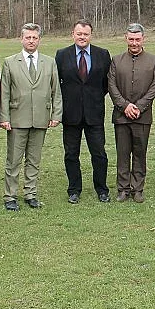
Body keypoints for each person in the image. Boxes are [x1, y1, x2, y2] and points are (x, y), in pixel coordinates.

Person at [0, 23, 62, 211]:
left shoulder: (49, 62)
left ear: (39, 40)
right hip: (17, 118)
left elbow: (55, 91)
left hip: (41, 118)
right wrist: (4, 117)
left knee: (34, 159)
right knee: (14, 160)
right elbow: (4, 93)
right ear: (21, 39)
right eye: (28, 37)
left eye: (34, 38)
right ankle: (10, 196)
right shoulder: (10, 62)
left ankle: (30, 194)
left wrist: (56, 114)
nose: (31, 41)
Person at [55, 20, 112, 204]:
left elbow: (106, 84)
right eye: (79, 34)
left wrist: (92, 98)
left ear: (91, 35)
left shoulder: (102, 55)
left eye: (85, 34)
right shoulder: (62, 55)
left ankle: (102, 189)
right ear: (73, 34)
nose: (82, 37)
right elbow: (57, 84)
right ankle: (74, 190)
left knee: (99, 154)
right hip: (70, 114)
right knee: (71, 154)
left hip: (94, 114)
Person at [108, 23, 155, 203]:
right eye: (131, 39)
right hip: (121, 116)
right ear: (126, 39)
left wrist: (139, 106)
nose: (134, 43)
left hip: (143, 116)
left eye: (137, 39)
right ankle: (123, 188)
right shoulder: (116, 60)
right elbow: (112, 86)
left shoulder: (153, 61)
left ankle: (137, 188)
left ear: (143, 39)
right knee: (123, 154)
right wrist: (125, 106)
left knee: (140, 153)